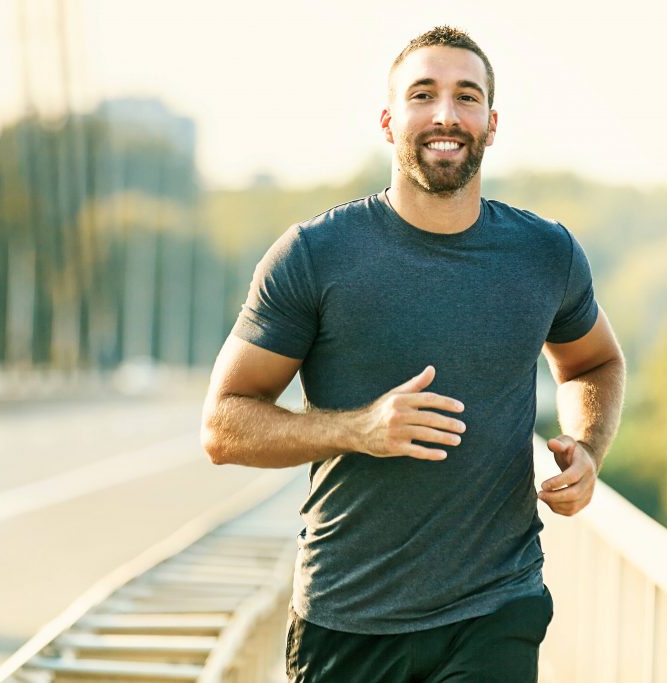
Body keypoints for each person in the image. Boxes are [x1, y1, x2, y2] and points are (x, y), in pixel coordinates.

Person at [200, 25, 626, 683]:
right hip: (350, 617)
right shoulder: (315, 255)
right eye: (423, 95)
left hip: (497, 608)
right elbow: (223, 424)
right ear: (388, 119)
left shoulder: (546, 254)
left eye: (466, 96)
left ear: (491, 121)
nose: (445, 114)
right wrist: (358, 429)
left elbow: (594, 362)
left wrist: (588, 448)